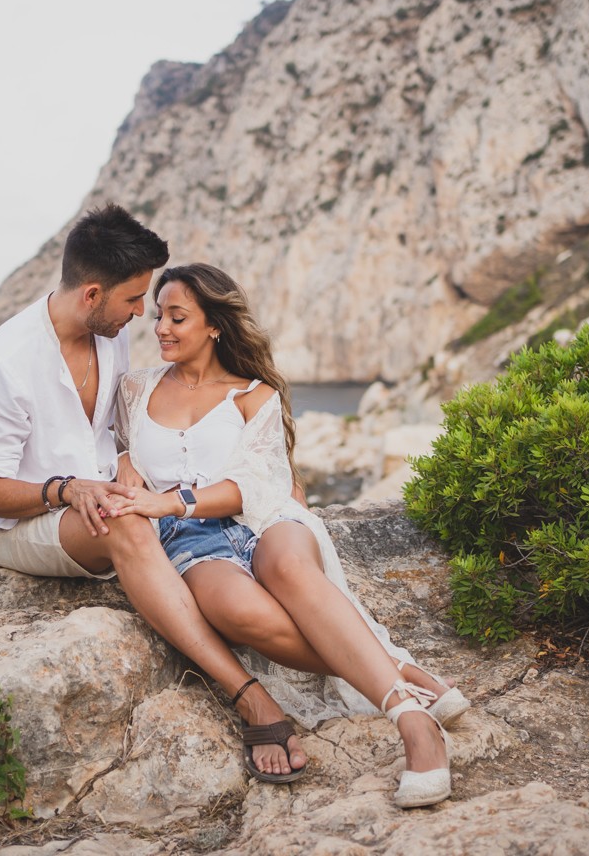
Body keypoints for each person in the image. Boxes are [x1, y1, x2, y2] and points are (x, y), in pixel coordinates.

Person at [0, 205, 317, 782]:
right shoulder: (1, 367)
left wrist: (126, 464)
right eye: (133, 302)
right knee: (129, 524)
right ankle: (249, 696)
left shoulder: (109, 336)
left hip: (112, 500)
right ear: (93, 293)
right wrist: (65, 490)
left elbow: (116, 431)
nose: (141, 318)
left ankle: (369, 667)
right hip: (28, 524)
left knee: (148, 520)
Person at [103, 263, 471, 808]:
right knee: (240, 613)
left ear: (214, 326)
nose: (161, 328)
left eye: (177, 317)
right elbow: (116, 448)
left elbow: (255, 486)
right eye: (159, 316)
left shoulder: (256, 394)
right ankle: (396, 666)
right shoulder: (135, 389)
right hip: (189, 540)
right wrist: (127, 464)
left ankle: (413, 723)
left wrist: (169, 498)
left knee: (290, 569)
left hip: (264, 518)